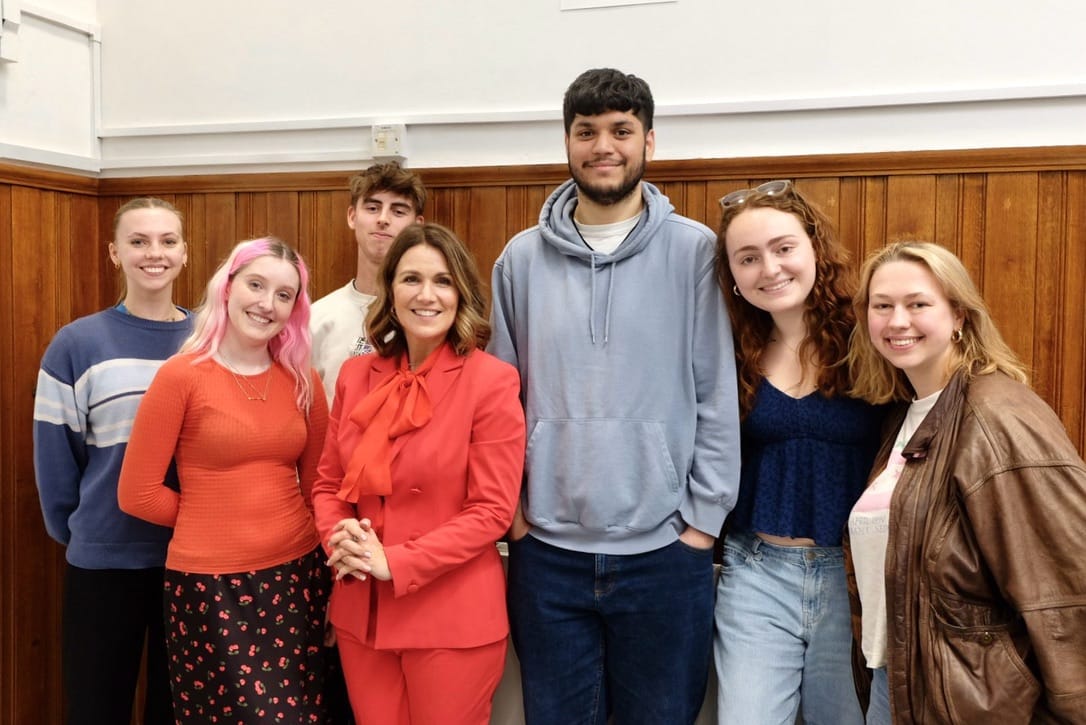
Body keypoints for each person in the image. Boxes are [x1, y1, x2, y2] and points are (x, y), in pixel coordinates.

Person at [488, 67, 740, 724]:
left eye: (621, 130)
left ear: (648, 141)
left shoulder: (695, 253)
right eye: (587, 131)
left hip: (667, 555)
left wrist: (700, 526)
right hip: (546, 555)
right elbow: (497, 406)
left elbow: (716, 393)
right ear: (567, 142)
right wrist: (515, 520)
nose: (604, 146)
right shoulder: (520, 260)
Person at [845, 241, 1086, 723]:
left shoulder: (996, 414)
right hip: (898, 682)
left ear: (958, 314)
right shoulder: (905, 415)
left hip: (972, 700)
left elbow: (1066, 578)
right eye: (882, 306)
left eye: (918, 304)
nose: (897, 321)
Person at [312, 223, 525, 724]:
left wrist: (396, 561)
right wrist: (340, 539)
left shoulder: (492, 381)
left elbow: (492, 511)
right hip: (362, 614)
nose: (426, 295)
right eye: (411, 279)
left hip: (451, 618)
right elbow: (328, 484)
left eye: (442, 281)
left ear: (461, 293)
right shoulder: (356, 375)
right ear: (390, 291)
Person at [117, 237, 330, 723]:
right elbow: (137, 493)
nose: (267, 303)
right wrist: (211, 521)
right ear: (228, 287)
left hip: (297, 578)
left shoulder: (303, 380)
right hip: (209, 587)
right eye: (256, 285)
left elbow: (320, 487)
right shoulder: (181, 376)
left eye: (284, 295)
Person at [712, 180, 882, 724]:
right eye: (748, 258)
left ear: (814, 248)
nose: (770, 268)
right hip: (754, 572)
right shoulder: (728, 348)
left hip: (852, 577)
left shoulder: (871, 339)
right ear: (732, 275)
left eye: (783, 248)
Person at [33, 197, 190, 725]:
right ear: (114, 253)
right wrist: (89, 532)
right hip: (103, 560)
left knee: (177, 711)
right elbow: (57, 460)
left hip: (189, 560)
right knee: (96, 708)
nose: (154, 253)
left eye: (167, 241)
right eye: (138, 241)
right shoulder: (77, 344)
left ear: (184, 253)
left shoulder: (208, 341)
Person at [310, 161, 426, 405]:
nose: (383, 219)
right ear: (352, 216)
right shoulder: (315, 319)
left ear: (417, 226)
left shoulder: (429, 317)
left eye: (398, 211)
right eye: (373, 208)